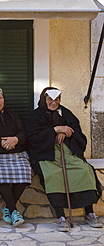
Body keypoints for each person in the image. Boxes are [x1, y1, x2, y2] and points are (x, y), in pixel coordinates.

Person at [25, 86, 103, 232]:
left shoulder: (66, 113)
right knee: (53, 175)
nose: (53, 102)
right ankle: (61, 217)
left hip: (67, 152)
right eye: (50, 99)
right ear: (44, 100)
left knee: (84, 170)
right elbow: (32, 138)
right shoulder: (35, 116)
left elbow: (77, 132)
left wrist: (67, 132)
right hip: (46, 154)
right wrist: (54, 130)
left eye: (56, 99)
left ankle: (90, 213)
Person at [0, 88, 32, 227]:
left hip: (15, 152)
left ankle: (8, 208)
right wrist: (0, 142)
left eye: (0, 98)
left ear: (4, 100)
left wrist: (15, 139)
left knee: (26, 171)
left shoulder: (12, 114)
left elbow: (23, 132)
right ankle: (14, 210)